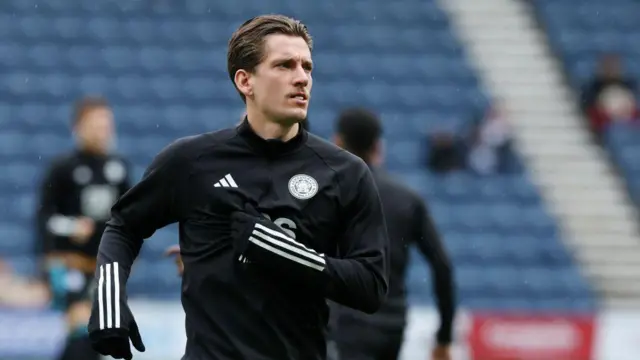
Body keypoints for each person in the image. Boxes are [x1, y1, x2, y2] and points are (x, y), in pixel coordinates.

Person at [87, 14, 389, 360]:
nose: (302, 78)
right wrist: (108, 298)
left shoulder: (344, 172)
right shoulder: (192, 162)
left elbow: (371, 287)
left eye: (307, 67)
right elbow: (124, 226)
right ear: (245, 81)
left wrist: (281, 252)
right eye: (285, 66)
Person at [167, 109, 456, 360]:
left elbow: (289, 254)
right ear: (379, 147)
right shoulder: (406, 199)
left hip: (341, 323)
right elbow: (442, 266)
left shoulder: (327, 191)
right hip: (391, 325)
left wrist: (206, 262)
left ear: (338, 140)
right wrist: (444, 336)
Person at [36, 96, 131, 360]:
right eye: (97, 124)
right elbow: (45, 218)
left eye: (107, 125)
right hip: (70, 265)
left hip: (104, 268)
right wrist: (70, 227)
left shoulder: (119, 168)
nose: (103, 131)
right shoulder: (62, 169)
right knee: (81, 326)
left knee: (96, 336)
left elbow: (129, 219)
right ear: (78, 127)